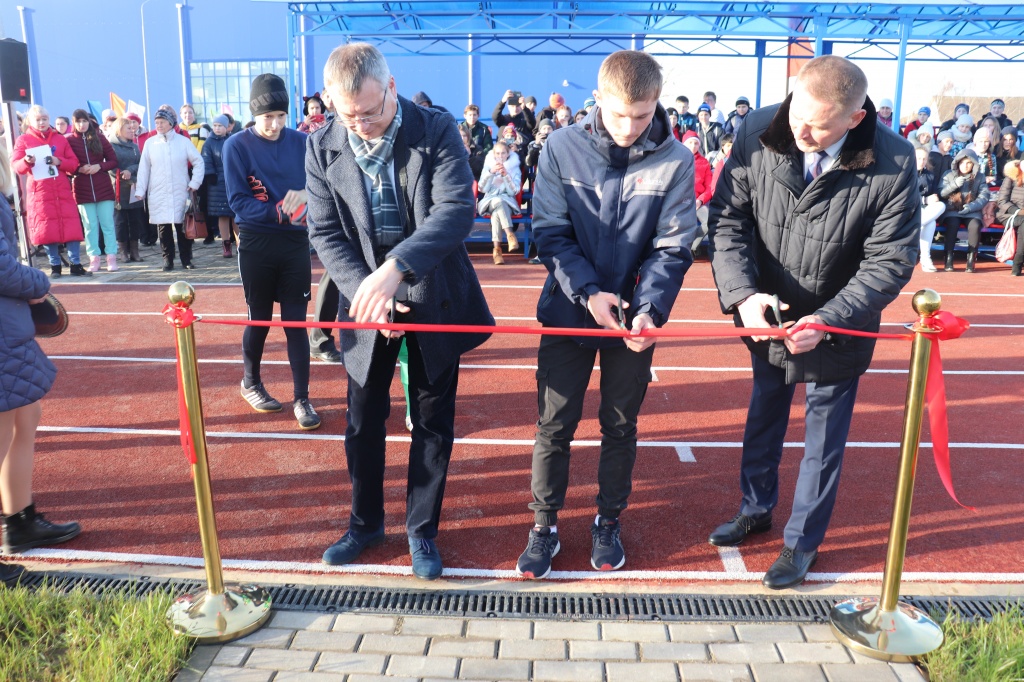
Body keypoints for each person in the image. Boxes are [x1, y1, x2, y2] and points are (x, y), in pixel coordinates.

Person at [707, 55, 918, 590]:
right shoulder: (758, 129)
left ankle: (802, 544)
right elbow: (729, 220)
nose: (800, 130)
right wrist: (742, 296)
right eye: (797, 110)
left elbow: (890, 260)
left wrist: (829, 318)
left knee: (823, 439)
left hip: (838, 322)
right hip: (768, 313)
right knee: (763, 415)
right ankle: (755, 509)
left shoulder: (894, 160)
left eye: (819, 123)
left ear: (854, 118)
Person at [307, 43, 493, 580]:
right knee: (363, 418)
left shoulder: (435, 129)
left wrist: (397, 268)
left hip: (433, 290)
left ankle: (422, 531)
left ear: (391, 88)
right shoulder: (321, 146)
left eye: (370, 111)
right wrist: (372, 287)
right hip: (368, 298)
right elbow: (325, 231)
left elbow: (456, 211)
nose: (361, 124)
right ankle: (364, 525)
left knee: (433, 420)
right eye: (347, 115)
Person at [515, 50, 696, 579]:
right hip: (568, 311)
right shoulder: (560, 147)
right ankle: (544, 525)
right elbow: (549, 233)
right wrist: (588, 293)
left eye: (641, 116)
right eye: (619, 114)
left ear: (657, 102)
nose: (629, 127)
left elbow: (673, 247)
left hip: (636, 320)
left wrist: (649, 309)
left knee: (620, 424)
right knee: (554, 424)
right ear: (597, 99)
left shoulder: (677, 160)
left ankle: (607, 520)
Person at [222, 73, 319, 431]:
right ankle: (251, 381)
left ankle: (302, 398)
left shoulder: (303, 142)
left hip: (295, 242)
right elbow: (238, 202)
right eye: (267, 117)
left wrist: (308, 198)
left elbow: (321, 185)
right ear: (253, 113)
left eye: (281, 116)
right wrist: (279, 211)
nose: (275, 124)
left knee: (296, 324)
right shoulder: (236, 146)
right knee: (259, 319)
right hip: (256, 243)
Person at [0, 164, 82, 586]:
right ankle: (16, 523)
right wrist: (39, 280)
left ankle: (20, 520)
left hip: (8, 329)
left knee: (24, 421)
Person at [11, 106, 90, 278]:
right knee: (47, 229)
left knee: (71, 227)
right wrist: (26, 161)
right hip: (40, 192)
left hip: (61, 189)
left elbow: (73, 163)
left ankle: (75, 263)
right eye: (38, 119)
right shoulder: (23, 140)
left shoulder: (60, 139)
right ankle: (55, 265)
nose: (42, 122)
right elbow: (16, 166)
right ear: (31, 121)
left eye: (45, 119)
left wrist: (58, 161)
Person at [134, 107, 205, 270]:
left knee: (183, 227)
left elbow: (198, 162)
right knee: (163, 228)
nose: (159, 125)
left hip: (181, 189)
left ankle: (186, 259)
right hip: (158, 191)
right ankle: (168, 260)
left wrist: (195, 183)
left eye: (162, 122)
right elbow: (144, 168)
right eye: (157, 122)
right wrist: (140, 190)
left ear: (171, 123)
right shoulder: (150, 143)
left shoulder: (183, 141)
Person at [66, 109, 120, 272]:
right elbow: (66, 165)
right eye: (78, 121)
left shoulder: (100, 138)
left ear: (89, 122)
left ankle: (111, 257)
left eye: (84, 121)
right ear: (74, 123)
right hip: (82, 189)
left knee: (108, 224)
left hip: (103, 187)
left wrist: (99, 166)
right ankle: (94, 258)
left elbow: (113, 160)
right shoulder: (69, 141)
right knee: (89, 226)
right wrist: (77, 169)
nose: (82, 125)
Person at [939, 148, 989, 273]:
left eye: (968, 163)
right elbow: (941, 193)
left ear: (973, 164)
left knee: (975, 225)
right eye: (962, 163)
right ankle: (948, 258)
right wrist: (954, 184)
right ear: (957, 163)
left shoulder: (980, 177)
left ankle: (971, 259)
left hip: (972, 210)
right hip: (952, 209)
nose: (965, 166)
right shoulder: (948, 174)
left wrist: (970, 207)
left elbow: (984, 196)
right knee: (952, 223)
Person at [106, 116, 147, 262]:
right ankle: (123, 251)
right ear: (119, 129)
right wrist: (121, 173)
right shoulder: (110, 145)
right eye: (128, 128)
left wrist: (130, 170)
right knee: (121, 221)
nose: (132, 130)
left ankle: (135, 251)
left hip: (133, 187)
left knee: (135, 219)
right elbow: (109, 165)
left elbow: (140, 163)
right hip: (118, 188)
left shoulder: (135, 147)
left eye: (132, 127)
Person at [478, 141, 522, 264]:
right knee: (497, 201)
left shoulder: (514, 169)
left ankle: (497, 251)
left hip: (507, 201)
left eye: (503, 153)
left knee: (497, 212)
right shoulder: (488, 166)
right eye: (497, 153)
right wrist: (490, 173)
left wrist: (506, 176)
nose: (500, 156)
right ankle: (510, 234)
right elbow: (481, 189)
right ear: (493, 154)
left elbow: (514, 191)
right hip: (488, 200)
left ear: (508, 154)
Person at [202, 114, 236, 257]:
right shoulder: (208, 143)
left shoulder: (233, 140)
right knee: (222, 215)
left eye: (220, 126)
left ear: (226, 127)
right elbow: (206, 159)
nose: (217, 128)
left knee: (236, 214)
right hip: (217, 183)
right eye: (215, 125)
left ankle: (241, 244)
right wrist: (210, 175)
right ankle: (226, 245)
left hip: (234, 181)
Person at [681, 130, 713, 254]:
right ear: (684, 144)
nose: (693, 146)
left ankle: (693, 247)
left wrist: (700, 200)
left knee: (709, 221)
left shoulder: (704, 162)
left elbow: (709, 186)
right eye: (690, 143)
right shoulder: (677, 160)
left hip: (698, 201)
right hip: (680, 201)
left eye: (696, 143)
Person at [915, 147, 944, 273]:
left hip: (925, 212)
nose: (921, 161)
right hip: (910, 209)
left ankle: (916, 225)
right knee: (930, 223)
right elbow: (905, 197)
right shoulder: (905, 174)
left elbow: (935, 193)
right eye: (918, 158)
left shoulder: (930, 175)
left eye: (924, 159)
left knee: (941, 206)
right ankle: (925, 258)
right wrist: (925, 200)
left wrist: (934, 198)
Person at [997, 159, 1024, 276]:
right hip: (1008, 214)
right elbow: (1002, 201)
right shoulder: (1011, 177)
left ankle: (1017, 265)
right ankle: (1018, 262)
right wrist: (1018, 211)